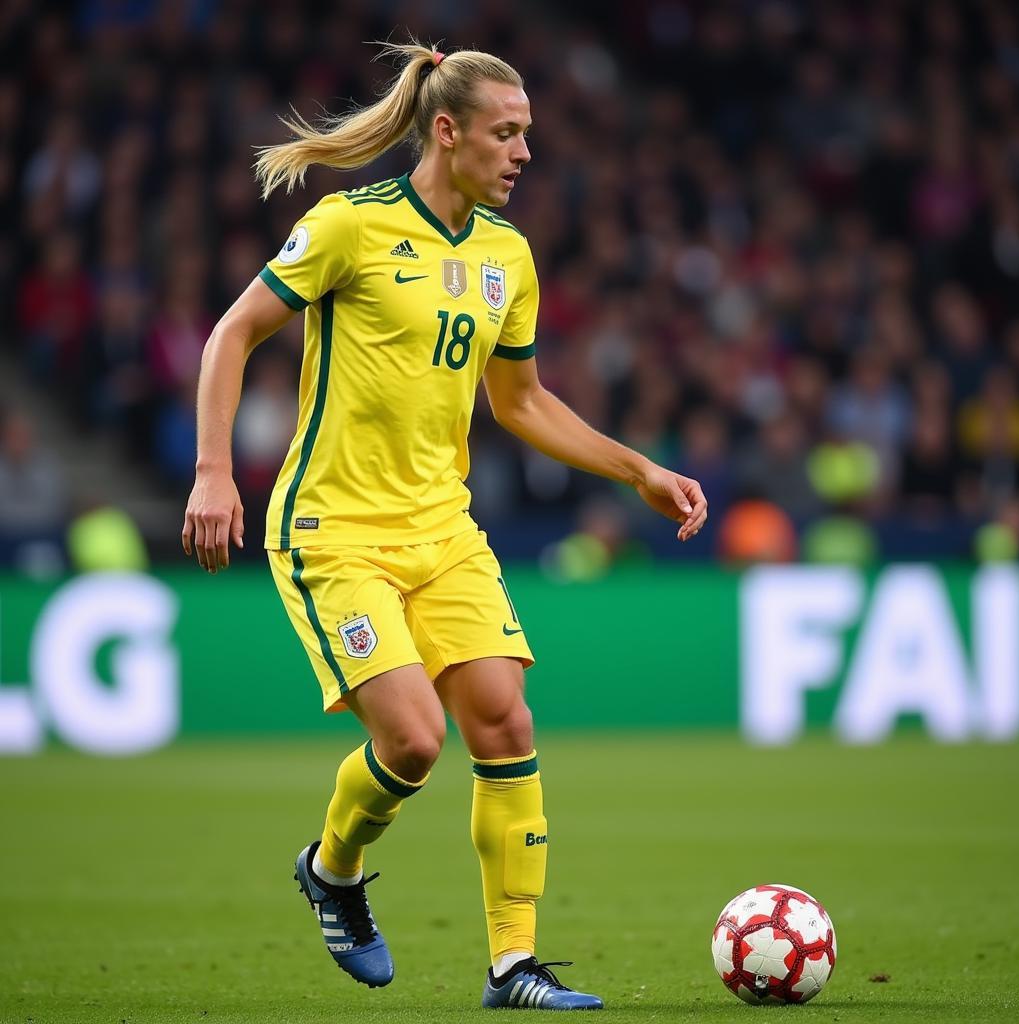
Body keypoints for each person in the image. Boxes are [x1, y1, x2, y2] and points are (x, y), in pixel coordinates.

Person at [181, 41, 707, 1012]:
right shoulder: (350, 225)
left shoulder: (507, 253)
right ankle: (332, 867)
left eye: (528, 135)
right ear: (447, 130)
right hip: (333, 528)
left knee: (504, 720)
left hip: (444, 529)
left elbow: (523, 403)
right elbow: (232, 333)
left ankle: (514, 967)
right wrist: (213, 472)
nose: (523, 153)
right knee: (417, 743)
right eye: (507, 133)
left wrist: (639, 469)